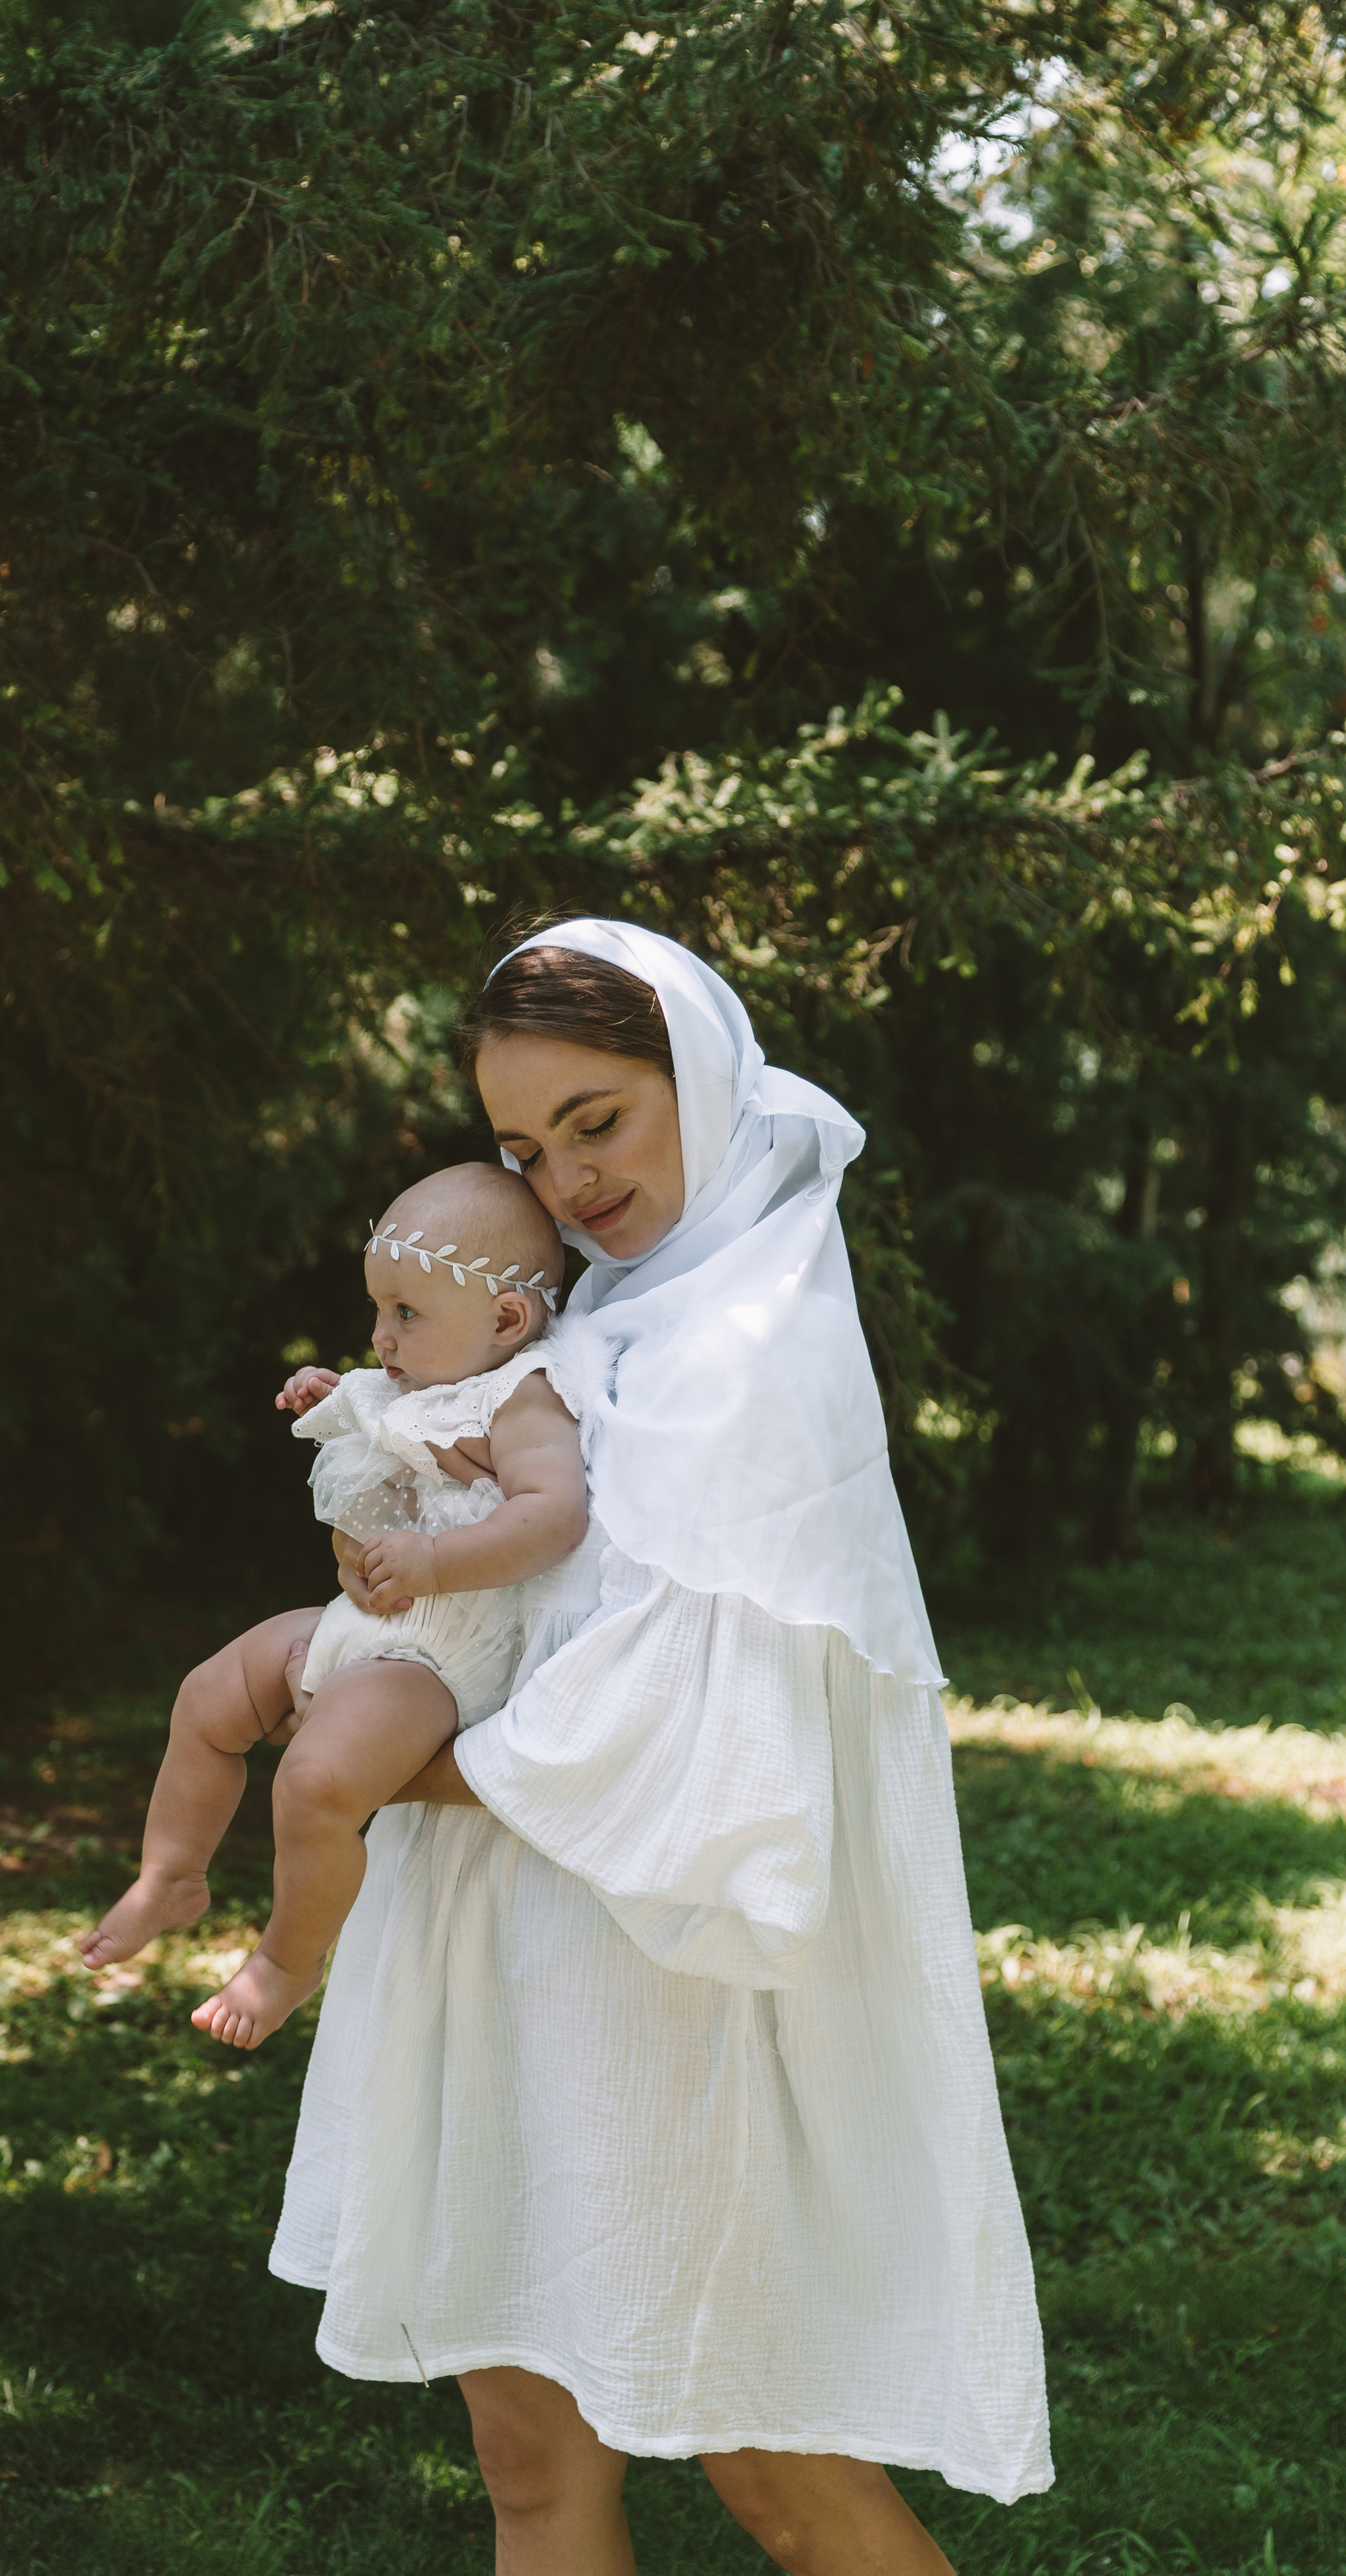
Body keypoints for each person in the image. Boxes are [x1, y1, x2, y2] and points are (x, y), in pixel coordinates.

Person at [269, 922, 1052, 2575]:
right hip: (498, 1950)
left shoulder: (754, 1351)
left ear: (698, 1078)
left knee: (778, 2471)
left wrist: (355, 1755)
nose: (565, 1182)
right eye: (521, 1148)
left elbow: (677, 1723)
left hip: (665, 1978)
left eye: (598, 1121)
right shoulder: (585, 1321)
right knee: (527, 2469)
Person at [81, 1161, 591, 2049]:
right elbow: (373, 1471)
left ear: (507, 1319)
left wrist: (436, 1561)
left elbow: (553, 1516)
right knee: (207, 1696)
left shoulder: (520, 1399)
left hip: (438, 1661)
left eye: (406, 1313)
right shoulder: (416, 1382)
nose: (381, 1336)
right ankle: (171, 1874)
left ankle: (286, 1962)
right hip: (367, 1628)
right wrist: (336, 1401)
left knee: (313, 1783)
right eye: (377, 1309)